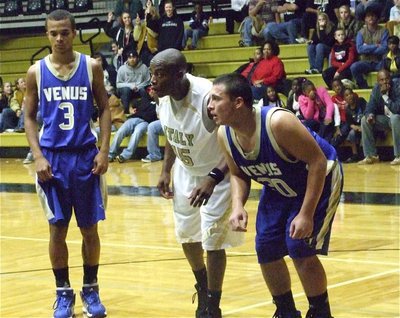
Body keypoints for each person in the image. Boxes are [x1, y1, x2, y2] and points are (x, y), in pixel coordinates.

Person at [207, 72, 343, 318]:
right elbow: (238, 174)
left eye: (216, 99)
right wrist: (237, 205)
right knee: (266, 247)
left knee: (298, 245)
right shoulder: (224, 134)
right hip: (279, 184)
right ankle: (285, 311)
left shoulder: (277, 123)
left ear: (238, 102)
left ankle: (320, 312)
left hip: (320, 175)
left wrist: (306, 214)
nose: (210, 105)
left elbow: (317, 162)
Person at [23, 9, 111, 318]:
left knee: (89, 230)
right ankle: (63, 293)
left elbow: (104, 109)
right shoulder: (36, 71)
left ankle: (91, 289)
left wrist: (104, 150)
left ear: (74, 33)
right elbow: (29, 116)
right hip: (53, 161)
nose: (59, 38)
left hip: (86, 158)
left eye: (64, 32)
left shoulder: (91, 67)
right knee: (57, 230)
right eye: (53, 33)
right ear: (46, 35)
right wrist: (37, 155)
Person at [150, 49, 244, 318]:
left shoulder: (209, 98)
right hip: (185, 170)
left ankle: (213, 305)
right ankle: (202, 285)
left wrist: (213, 178)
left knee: (213, 241)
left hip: (217, 174)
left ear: (180, 74)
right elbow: (171, 131)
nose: (153, 80)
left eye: (160, 74)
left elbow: (238, 139)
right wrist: (166, 169)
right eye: (152, 73)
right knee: (187, 236)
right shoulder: (162, 96)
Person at [358, 69, 400, 165]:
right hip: (386, 120)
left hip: (397, 118)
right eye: (381, 80)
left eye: (387, 79)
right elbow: (370, 106)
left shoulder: (397, 86)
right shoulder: (376, 89)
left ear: (391, 79)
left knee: (395, 118)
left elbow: (397, 109)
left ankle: (399, 156)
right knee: (365, 120)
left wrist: (385, 96)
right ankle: (371, 155)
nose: (384, 82)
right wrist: (370, 115)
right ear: (378, 81)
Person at [108, 87, 157, 163]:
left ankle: (124, 156)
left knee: (137, 132)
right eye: (150, 90)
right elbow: (132, 105)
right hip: (133, 118)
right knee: (121, 131)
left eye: (153, 90)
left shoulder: (159, 102)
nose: (151, 92)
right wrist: (131, 109)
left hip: (146, 122)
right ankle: (110, 155)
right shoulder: (144, 99)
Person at [350, 6, 389, 88]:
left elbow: (384, 48)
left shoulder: (384, 31)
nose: (371, 17)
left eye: (373, 15)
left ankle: (384, 87)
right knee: (354, 67)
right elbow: (359, 49)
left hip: (380, 62)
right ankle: (363, 86)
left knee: (387, 63)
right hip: (365, 62)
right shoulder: (360, 32)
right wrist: (376, 46)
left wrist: (367, 47)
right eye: (368, 16)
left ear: (377, 18)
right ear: (365, 19)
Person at [116, 49, 150, 113]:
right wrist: (130, 86)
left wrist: (138, 86)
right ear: (127, 59)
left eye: (134, 57)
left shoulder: (144, 67)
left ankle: (146, 109)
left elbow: (147, 81)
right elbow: (118, 84)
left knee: (143, 90)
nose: (132, 59)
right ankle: (126, 111)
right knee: (126, 90)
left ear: (137, 58)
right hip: (126, 90)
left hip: (139, 88)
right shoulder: (122, 69)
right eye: (130, 58)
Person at [343, 87, 366, 162]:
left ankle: (366, 154)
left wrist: (362, 126)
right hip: (357, 129)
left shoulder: (361, 101)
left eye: (350, 93)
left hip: (366, 125)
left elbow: (367, 112)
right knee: (352, 133)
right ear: (345, 99)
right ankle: (355, 154)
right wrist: (357, 127)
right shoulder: (347, 110)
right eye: (347, 95)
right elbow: (350, 124)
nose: (349, 96)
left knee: (365, 130)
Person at [133, 0, 159, 66]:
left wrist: (147, 23)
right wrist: (138, 26)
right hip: (142, 49)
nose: (146, 15)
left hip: (152, 49)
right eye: (146, 14)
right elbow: (136, 38)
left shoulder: (156, 22)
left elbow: (154, 34)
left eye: (149, 13)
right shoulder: (142, 24)